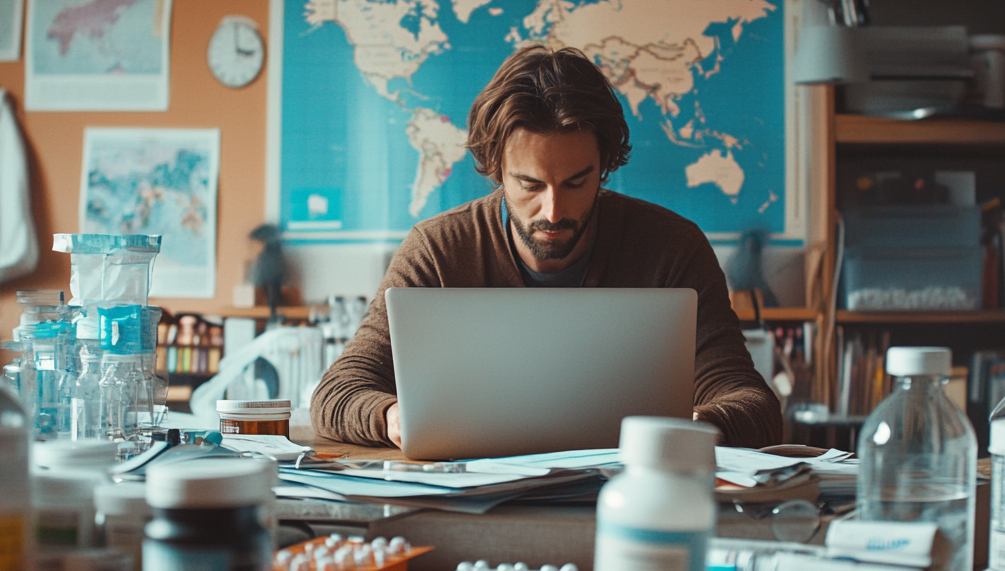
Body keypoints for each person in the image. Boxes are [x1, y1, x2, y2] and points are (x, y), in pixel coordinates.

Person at [311, 45, 782, 449]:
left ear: (605, 165)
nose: (554, 210)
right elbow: (337, 393)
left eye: (578, 182)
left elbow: (753, 404)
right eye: (529, 184)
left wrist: (697, 427)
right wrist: (396, 418)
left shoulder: (673, 249)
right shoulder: (436, 250)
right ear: (496, 169)